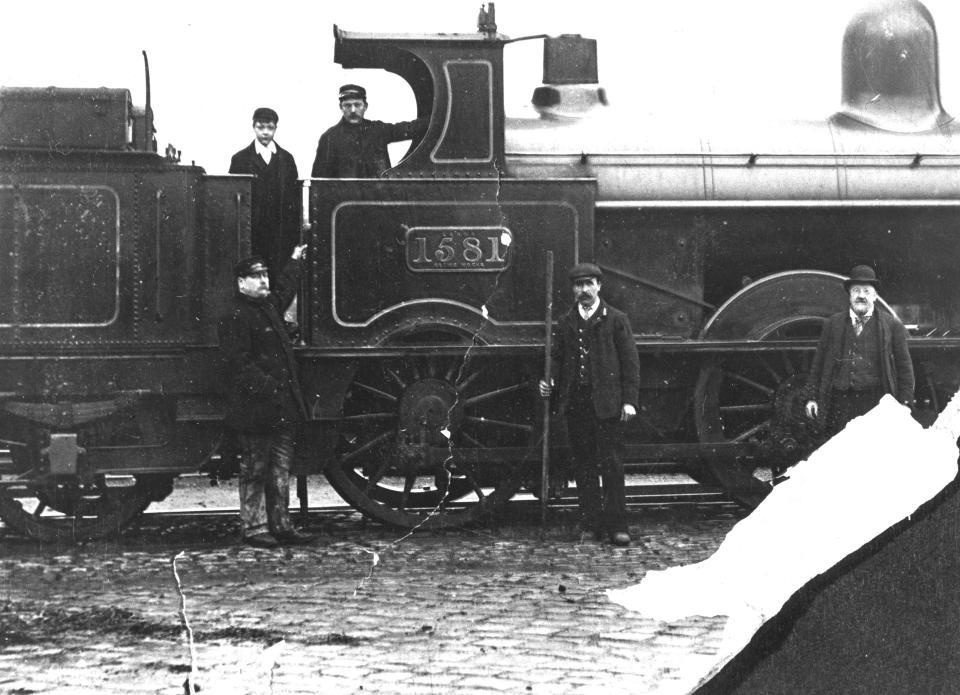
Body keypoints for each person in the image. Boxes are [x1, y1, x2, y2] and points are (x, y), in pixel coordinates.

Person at [217, 247, 313, 549]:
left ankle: (281, 524)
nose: (264, 281)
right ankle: (255, 527)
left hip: (280, 408)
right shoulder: (235, 317)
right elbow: (239, 364)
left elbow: (284, 289)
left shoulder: (268, 306)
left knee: (280, 469)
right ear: (241, 282)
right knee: (255, 470)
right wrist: (270, 385)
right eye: (256, 276)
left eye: (265, 275)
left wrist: (295, 259)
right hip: (255, 409)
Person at [539, 263, 640, 546]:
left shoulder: (616, 319)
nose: (584, 290)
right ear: (573, 289)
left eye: (589, 284)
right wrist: (548, 382)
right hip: (577, 404)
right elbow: (556, 359)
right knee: (584, 467)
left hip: (608, 404)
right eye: (578, 285)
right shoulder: (565, 322)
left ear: (599, 286)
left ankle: (618, 527)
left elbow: (631, 363)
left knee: (612, 466)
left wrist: (630, 401)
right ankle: (590, 525)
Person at [804, 264, 914, 437]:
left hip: (876, 403)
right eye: (856, 291)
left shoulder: (892, 326)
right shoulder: (832, 324)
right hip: (840, 404)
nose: (861, 296)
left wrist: (905, 403)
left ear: (875, 296)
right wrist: (811, 397)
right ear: (849, 295)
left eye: (866, 291)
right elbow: (818, 364)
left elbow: (904, 368)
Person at [229, 107, 301, 279]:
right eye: (261, 127)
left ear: (276, 128)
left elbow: (294, 199)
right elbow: (234, 196)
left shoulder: (287, 159)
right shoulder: (240, 159)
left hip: (280, 232)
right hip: (252, 230)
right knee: (253, 273)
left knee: (277, 274)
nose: (265, 132)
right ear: (253, 127)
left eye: (270, 127)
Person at [311, 84, 427, 178]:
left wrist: (441, 115)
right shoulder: (329, 138)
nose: (352, 110)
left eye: (357, 105)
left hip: (378, 199)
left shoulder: (378, 130)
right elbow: (319, 181)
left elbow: (410, 129)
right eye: (347, 105)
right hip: (347, 202)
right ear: (340, 107)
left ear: (365, 106)